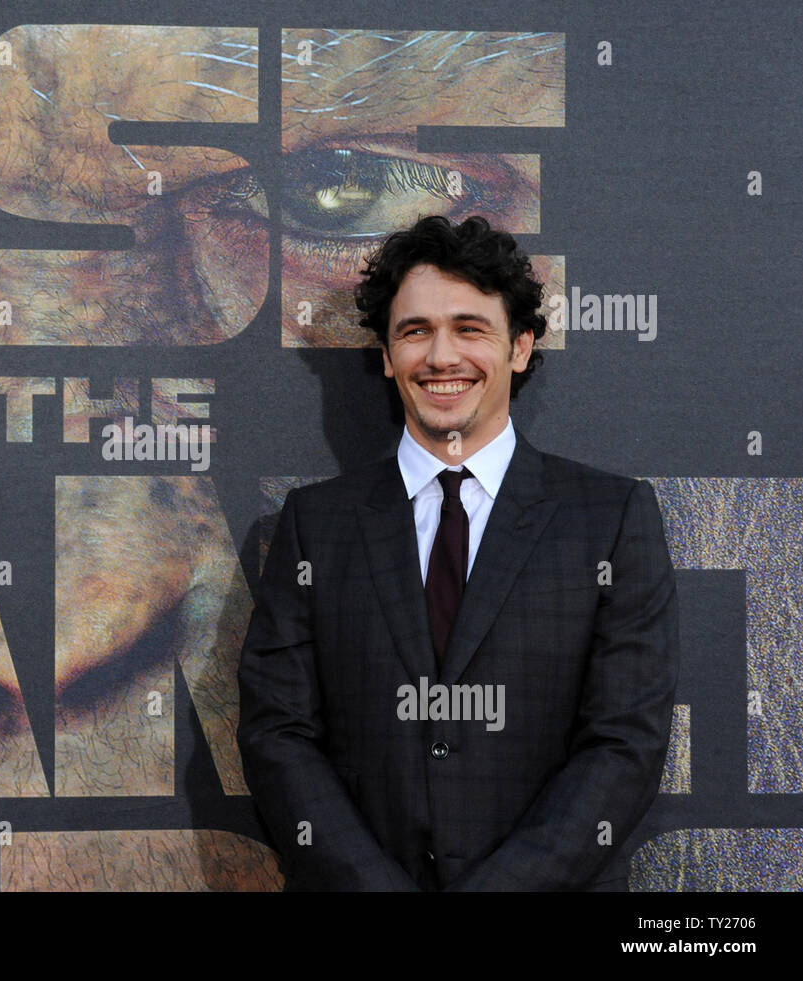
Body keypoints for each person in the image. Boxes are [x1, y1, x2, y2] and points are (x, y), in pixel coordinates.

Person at [237, 215, 680, 890]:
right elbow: (278, 736)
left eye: (470, 328)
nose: (442, 356)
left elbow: (624, 744)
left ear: (521, 346)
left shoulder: (611, 520)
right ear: (386, 354)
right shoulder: (313, 527)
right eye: (415, 331)